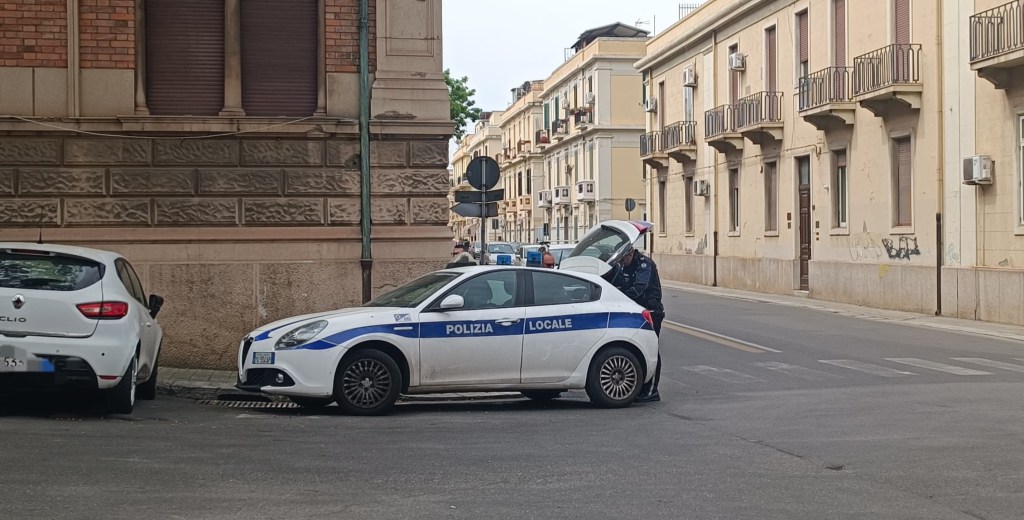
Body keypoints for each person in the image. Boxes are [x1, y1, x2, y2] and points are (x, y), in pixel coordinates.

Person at [607, 245, 664, 403]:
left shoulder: (645, 264)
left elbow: (639, 288)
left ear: (631, 254)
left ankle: (651, 391)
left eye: (624, 258)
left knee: (651, 349)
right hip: (634, 311)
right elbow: (616, 283)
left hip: (651, 311)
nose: (623, 262)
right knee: (637, 349)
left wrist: (619, 297)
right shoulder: (623, 266)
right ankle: (640, 388)